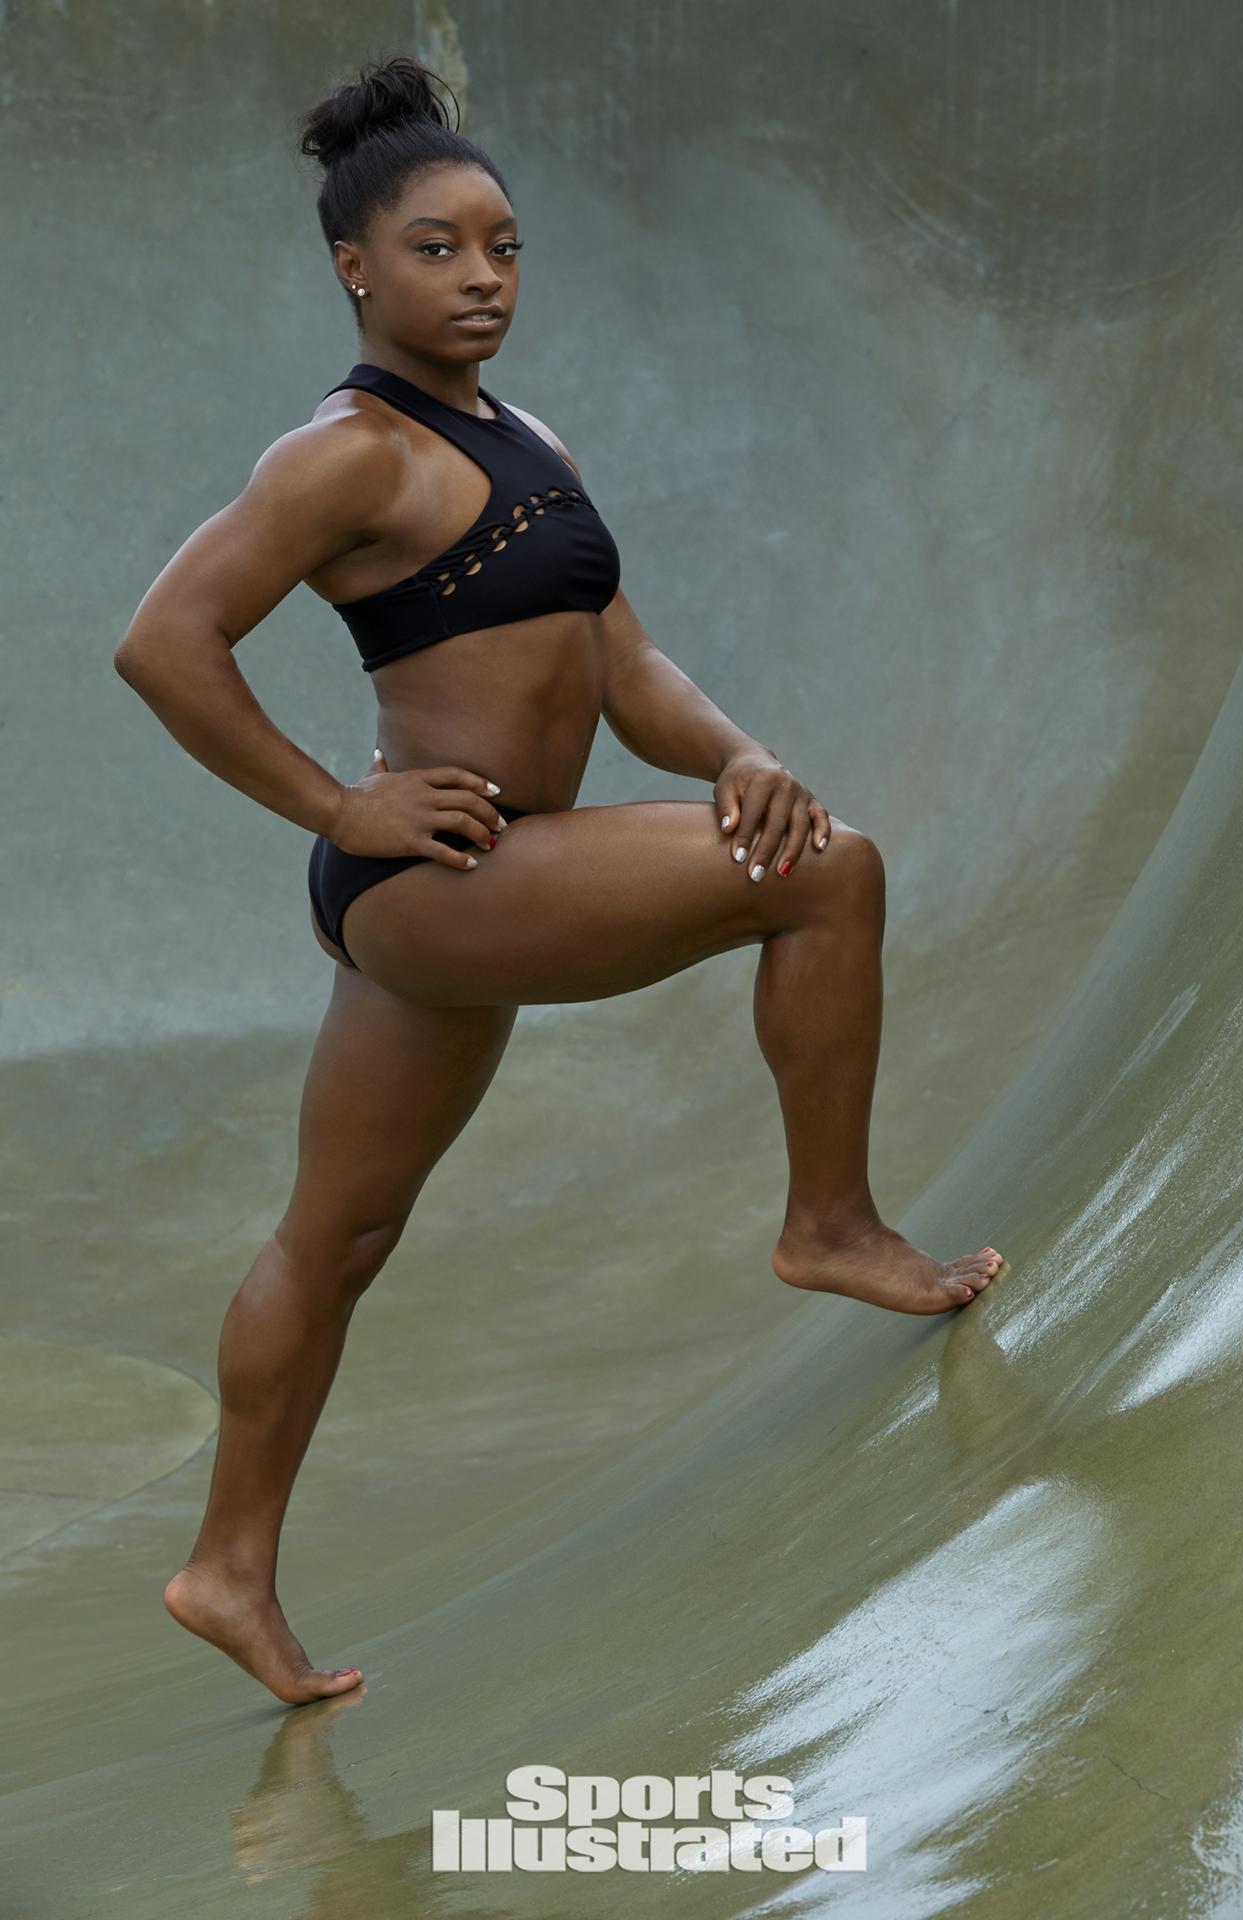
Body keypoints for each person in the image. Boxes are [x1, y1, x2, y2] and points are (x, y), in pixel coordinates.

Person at [113, 53, 1005, 1706]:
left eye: (505, 247)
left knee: (336, 1238)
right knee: (832, 877)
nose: (484, 278)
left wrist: (735, 753)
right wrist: (341, 804)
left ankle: (225, 1569)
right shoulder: (343, 455)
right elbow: (164, 645)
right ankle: (829, 1223)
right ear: (354, 267)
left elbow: (626, 664)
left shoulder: (525, 435)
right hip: (447, 875)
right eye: (438, 249)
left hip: (467, 895)